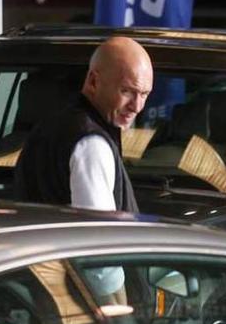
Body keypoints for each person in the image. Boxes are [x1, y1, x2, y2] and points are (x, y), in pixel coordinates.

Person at [15, 36, 153, 213]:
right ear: (93, 82)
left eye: (144, 94)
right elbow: (100, 232)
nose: (137, 106)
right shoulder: (92, 145)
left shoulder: (48, 128)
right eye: (126, 91)